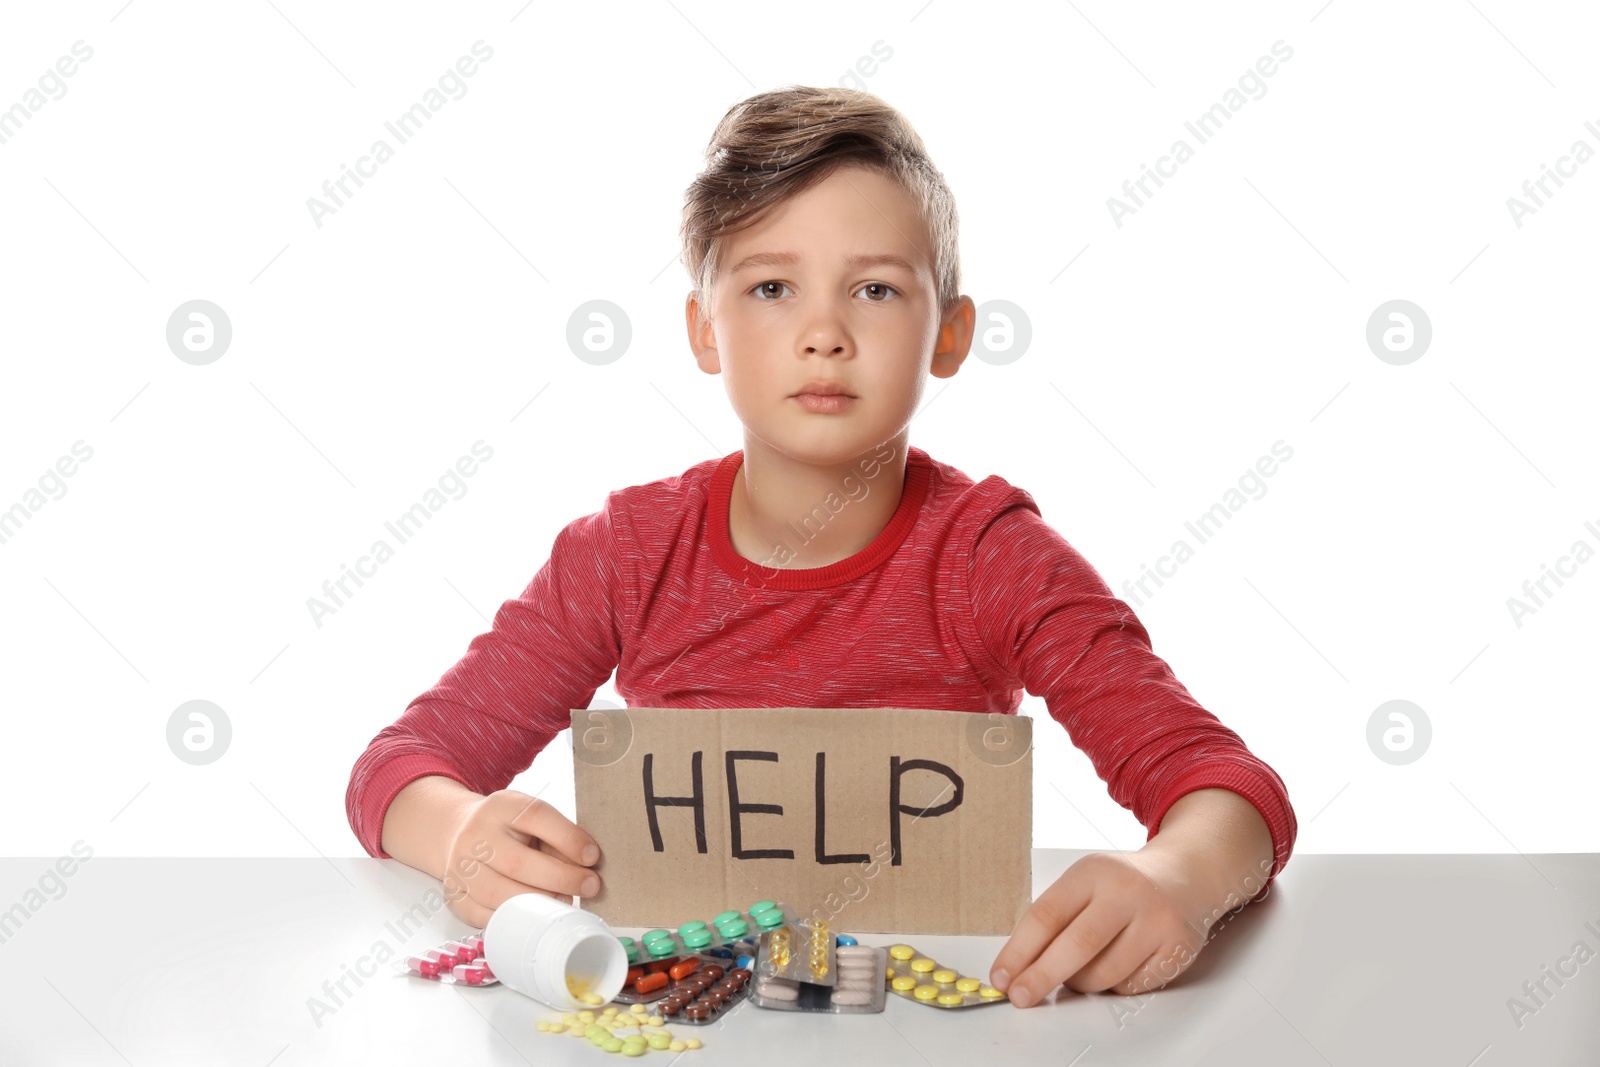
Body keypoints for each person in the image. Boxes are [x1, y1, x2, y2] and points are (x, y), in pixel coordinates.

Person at [346, 85, 1295, 1008]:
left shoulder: (994, 559)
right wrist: (458, 825)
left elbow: (1227, 787)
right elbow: (400, 764)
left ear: (951, 334)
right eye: (770, 287)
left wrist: (1179, 872)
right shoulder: (626, 555)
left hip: (928, 1016)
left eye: (875, 288)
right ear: (705, 329)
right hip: (701, 1009)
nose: (824, 334)